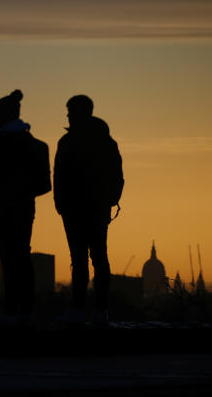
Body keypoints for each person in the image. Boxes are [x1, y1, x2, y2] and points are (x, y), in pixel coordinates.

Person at [54, 94, 124, 326]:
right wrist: (109, 200)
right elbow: (118, 177)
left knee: (84, 259)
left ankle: (82, 310)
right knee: (96, 258)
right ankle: (97, 310)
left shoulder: (68, 142)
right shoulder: (106, 141)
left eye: (70, 111)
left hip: (80, 209)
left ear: (80, 113)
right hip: (91, 209)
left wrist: (61, 204)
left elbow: (60, 176)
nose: (67, 116)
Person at [0, 90, 51, 324]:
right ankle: (24, 310)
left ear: (6, 115)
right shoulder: (33, 144)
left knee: (12, 260)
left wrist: (12, 193)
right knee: (20, 258)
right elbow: (43, 185)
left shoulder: (3, 141)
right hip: (22, 208)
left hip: (6, 209)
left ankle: (13, 311)